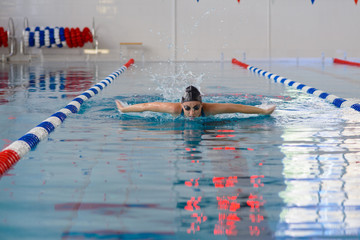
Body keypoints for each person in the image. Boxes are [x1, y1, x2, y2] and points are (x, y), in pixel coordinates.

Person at [115, 86, 276, 118]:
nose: (192, 113)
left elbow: (237, 107)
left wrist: (262, 110)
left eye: (196, 108)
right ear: (181, 105)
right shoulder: (173, 109)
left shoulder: (210, 109)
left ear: (202, 104)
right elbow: (146, 106)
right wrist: (125, 109)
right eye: (187, 108)